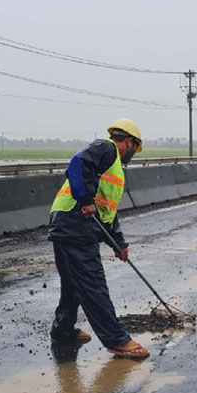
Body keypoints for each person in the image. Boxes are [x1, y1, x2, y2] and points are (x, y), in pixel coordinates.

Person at [48, 118, 150, 359]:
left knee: (73, 283)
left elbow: (106, 214)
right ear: (128, 141)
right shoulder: (107, 148)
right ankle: (116, 340)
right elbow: (77, 164)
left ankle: (62, 330)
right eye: (135, 148)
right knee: (93, 283)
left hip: (67, 223)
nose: (133, 154)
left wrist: (119, 245)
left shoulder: (112, 166)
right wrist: (85, 200)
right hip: (74, 222)